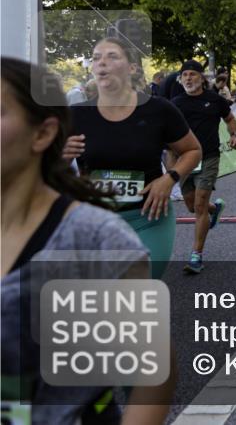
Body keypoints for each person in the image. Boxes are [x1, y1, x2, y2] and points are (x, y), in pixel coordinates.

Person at [2, 57, 175, 425]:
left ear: (43, 133)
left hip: (143, 216)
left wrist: (169, 177)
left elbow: (153, 368)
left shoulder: (90, 237)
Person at [63, 38, 202, 279]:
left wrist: (169, 179)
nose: (102, 63)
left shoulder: (159, 110)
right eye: (96, 58)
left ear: (132, 68)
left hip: (148, 218)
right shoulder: (76, 115)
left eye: (112, 56)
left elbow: (193, 150)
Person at [170, 60, 236, 275]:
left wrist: (234, 135)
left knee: (199, 206)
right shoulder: (175, 103)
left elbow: (230, 119)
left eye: (192, 74)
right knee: (192, 206)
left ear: (202, 78)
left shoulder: (215, 100)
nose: (188, 78)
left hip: (208, 156)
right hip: (183, 160)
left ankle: (196, 255)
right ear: (181, 80)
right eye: (185, 75)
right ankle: (215, 209)